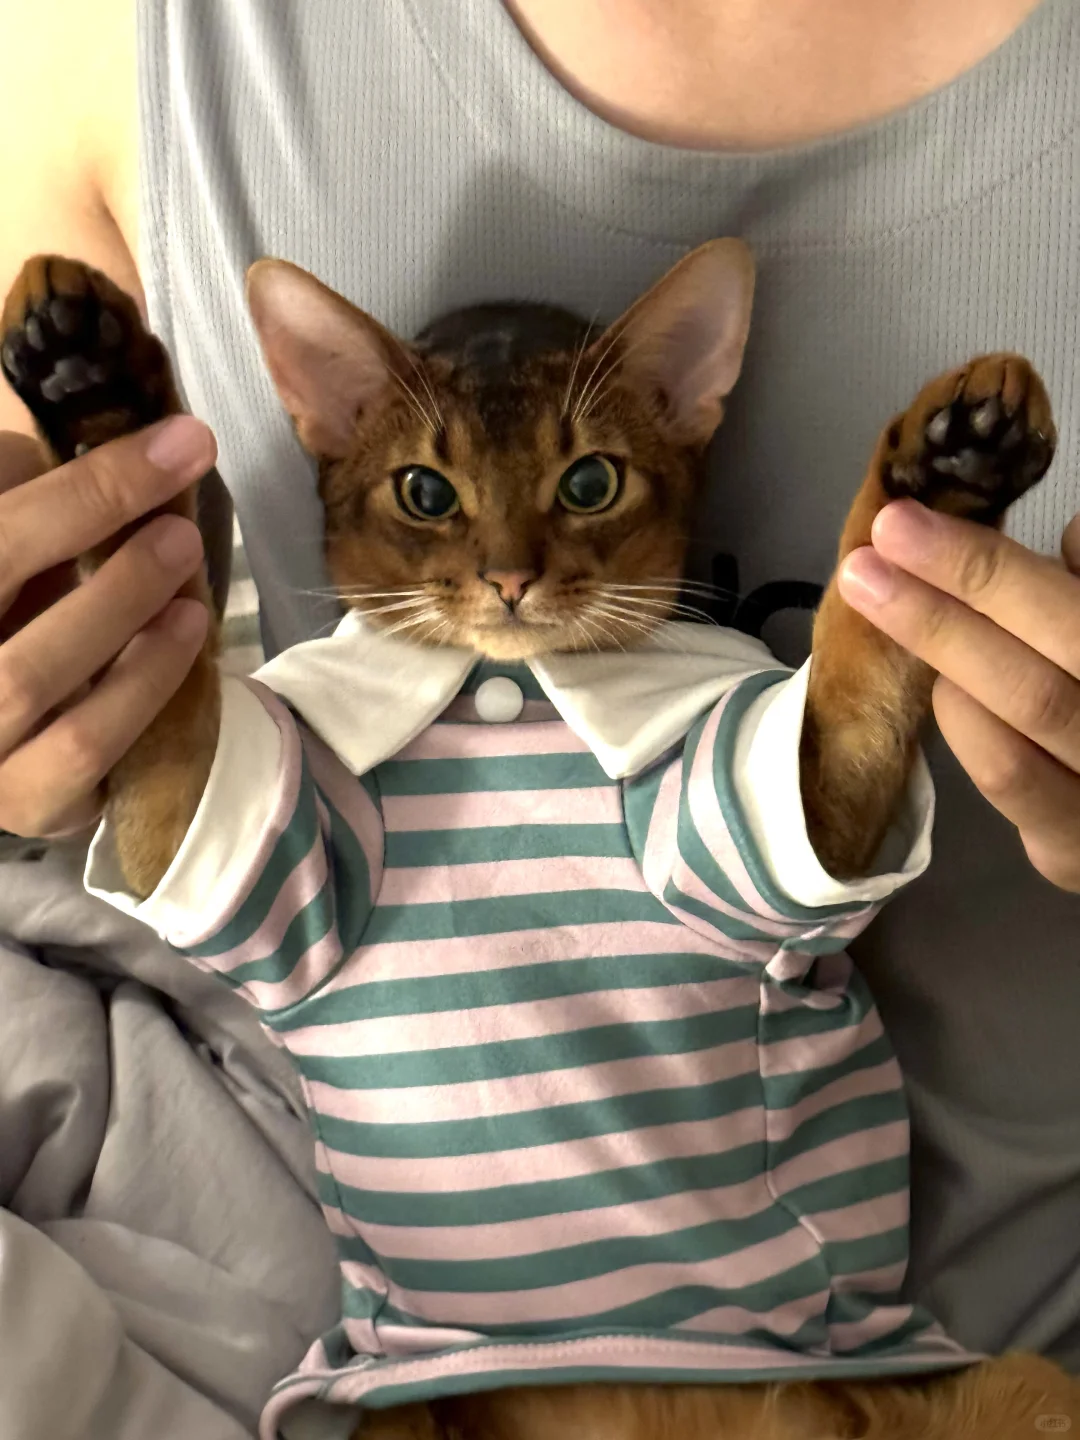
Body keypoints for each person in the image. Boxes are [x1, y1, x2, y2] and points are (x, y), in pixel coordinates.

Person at [0, 1, 1077, 1435]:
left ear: (692, 408)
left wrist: (893, 584)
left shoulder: (692, 722)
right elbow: (199, 835)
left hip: (822, 1377)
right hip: (448, 1392)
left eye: (586, 487)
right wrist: (115, 563)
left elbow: (813, 806)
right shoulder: (321, 755)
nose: (510, 566)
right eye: (429, 496)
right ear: (323, 425)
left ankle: (912, 542)